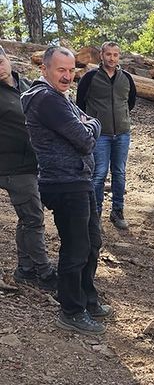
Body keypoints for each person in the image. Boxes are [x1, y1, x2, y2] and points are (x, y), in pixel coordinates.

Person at [22, 46, 111, 336]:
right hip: (63, 183)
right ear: (44, 69)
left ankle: (86, 298)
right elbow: (85, 139)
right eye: (61, 69)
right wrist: (90, 126)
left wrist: (89, 125)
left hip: (79, 180)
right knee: (76, 248)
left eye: (71, 70)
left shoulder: (62, 99)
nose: (67, 76)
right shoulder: (46, 100)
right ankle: (71, 310)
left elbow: (90, 124)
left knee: (92, 242)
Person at [0, 46, 57, 292]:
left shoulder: (26, 85)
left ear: (7, 59)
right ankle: (43, 271)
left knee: (28, 219)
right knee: (34, 218)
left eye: (0, 59)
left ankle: (25, 269)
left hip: (34, 162)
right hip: (12, 166)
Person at [76, 41, 136, 230]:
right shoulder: (90, 77)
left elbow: (130, 102)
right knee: (99, 174)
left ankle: (117, 212)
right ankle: (95, 216)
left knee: (119, 173)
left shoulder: (126, 78)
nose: (112, 58)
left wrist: (122, 118)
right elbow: (80, 104)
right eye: (108, 54)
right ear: (101, 55)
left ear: (119, 56)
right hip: (100, 134)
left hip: (122, 133)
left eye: (115, 55)